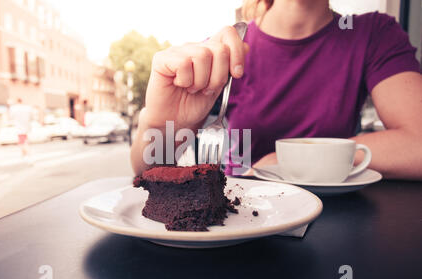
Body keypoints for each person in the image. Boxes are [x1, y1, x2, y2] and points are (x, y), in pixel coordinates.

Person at [131, 0, 422, 180]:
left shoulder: (373, 33)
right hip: (239, 220)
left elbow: (417, 145)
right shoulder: (222, 52)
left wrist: (293, 158)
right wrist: (161, 125)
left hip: (335, 224)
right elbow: (150, 170)